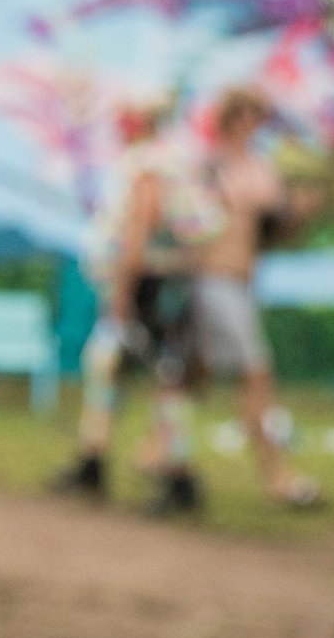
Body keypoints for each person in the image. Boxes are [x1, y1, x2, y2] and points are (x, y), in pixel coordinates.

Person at [51, 97, 225, 513]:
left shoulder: (148, 164)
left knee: (164, 379)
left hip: (147, 286)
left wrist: (122, 294)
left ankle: (179, 476)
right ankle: (93, 459)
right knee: (109, 367)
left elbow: (141, 226)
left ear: (141, 119)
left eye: (123, 115)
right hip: (156, 284)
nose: (115, 122)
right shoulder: (166, 161)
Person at [192, 88, 323, 510]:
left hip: (241, 282)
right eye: (245, 114)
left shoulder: (263, 170)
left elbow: (277, 233)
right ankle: (277, 477)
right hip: (209, 280)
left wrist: (300, 213)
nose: (252, 123)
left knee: (194, 377)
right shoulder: (207, 167)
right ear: (229, 117)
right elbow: (187, 223)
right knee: (255, 375)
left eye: (258, 115)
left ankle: (157, 452)